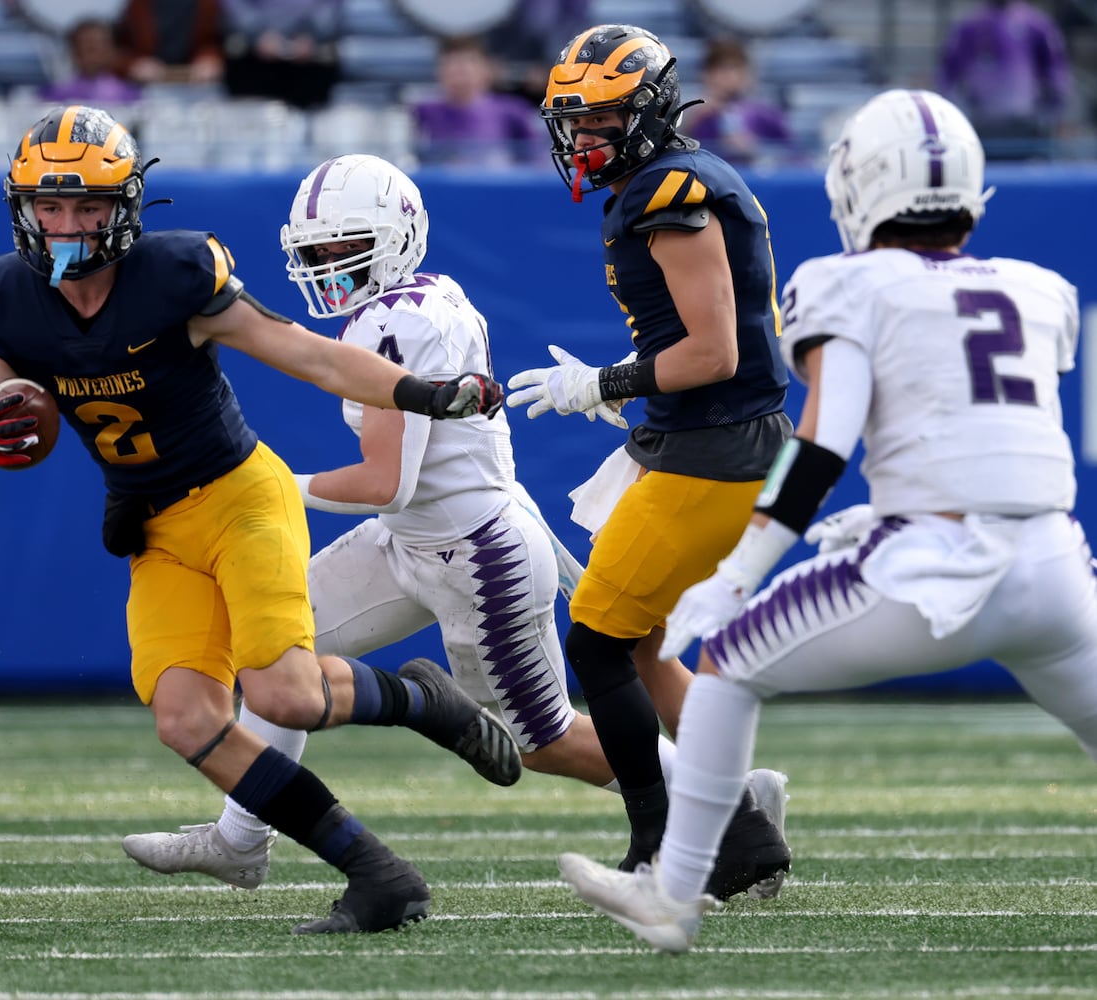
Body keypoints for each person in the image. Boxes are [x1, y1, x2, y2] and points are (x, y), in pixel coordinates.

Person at [120, 153, 788, 904]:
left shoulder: (397, 324)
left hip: (477, 558)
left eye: (345, 247)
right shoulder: (420, 300)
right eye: (317, 252)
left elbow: (384, 480)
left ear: (397, 237)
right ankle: (242, 838)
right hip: (412, 538)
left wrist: (263, 485)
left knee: (546, 743)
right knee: (274, 651)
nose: (328, 266)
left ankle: (730, 805)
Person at [0, 105, 511, 935]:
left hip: (239, 497)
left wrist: (419, 391)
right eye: (50, 207)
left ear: (124, 207)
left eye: (87, 206)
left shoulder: (174, 277)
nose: (67, 226)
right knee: (187, 718)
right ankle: (376, 873)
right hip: (155, 529)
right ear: (22, 209)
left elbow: (305, 351)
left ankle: (429, 705)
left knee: (285, 693)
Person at [558, 87, 1097, 954]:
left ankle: (673, 887)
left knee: (727, 664)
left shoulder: (845, 285)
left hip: (931, 568)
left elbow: (819, 450)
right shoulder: (1039, 291)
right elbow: (998, 436)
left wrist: (741, 574)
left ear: (860, 185)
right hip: (1056, 568)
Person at [504, 23, 793, 891]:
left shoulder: (670, 189)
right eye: (573, 121)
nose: (582, 139)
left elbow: (713, 353)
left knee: (595, 641)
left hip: (716, 446)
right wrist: (628, 390)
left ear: (649, 108)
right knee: (639, 647)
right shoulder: (664, 179)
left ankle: (668, 848)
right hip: (703, 434)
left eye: (599, 120)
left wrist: (606, 381)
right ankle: (739, 822)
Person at [938, 0, 1076, 159]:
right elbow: (947, 76)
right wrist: (963, 116)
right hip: (980, 129)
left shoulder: (1037, 25)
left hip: (1027, 129)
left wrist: (1046, 115)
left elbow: (1057, 74)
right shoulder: (968, 27)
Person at [411, 36, 544, 168]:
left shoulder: (513, 111)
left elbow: (535, 159)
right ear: (440, 71)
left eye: (466, 67)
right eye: (452, 67)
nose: (460, 76)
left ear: (486, 70)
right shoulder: (422, 111)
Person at [682, 37, 794, 169]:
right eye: (721, 69)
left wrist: (754, 148)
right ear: (706, 74)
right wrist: (692, 120)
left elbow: (793, 155)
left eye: (735, 68)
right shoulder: (697, 114)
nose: (729, 76)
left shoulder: (764, 115)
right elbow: (677, 154)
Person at [219, 0, 340, 109]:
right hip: (253, 60)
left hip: (310, 62)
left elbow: (330, 7)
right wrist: (258, 32)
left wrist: (311, 34)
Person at [114, 0, 225, 86]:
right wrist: (134, 65)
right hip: (147, 89)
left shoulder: (207, 5)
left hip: (197, 87)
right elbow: (117, 49)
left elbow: (214, 41)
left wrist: (209, 59)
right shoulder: (136, 6)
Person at [40, 18, 143, 107]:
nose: (96, 55)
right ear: (75, 52)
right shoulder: (56, 94)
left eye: (102, 46)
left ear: (111, 50)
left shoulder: (129, 95)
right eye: (90, 48)